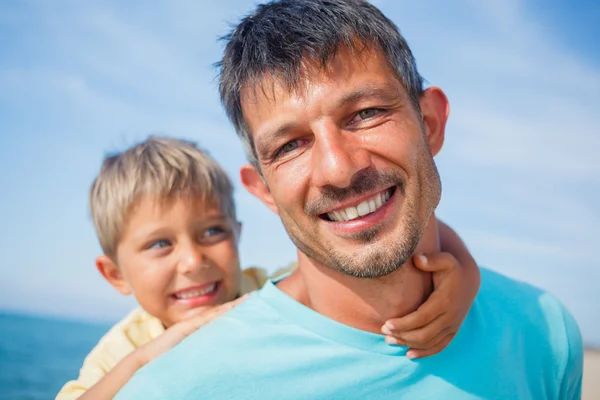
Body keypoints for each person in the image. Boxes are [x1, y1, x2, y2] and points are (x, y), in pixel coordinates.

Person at [114, 0, 583, 397]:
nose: (338, 169)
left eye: (366, 113)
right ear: (263, 190)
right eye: (289, 145)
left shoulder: (544, 334)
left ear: (431, 123)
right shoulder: (176, 386)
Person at [56, 136, 479, 400]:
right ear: (115, 274)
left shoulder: (267, 291)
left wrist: (467, 274)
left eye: (211, 232)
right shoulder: (125, 346)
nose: (193, 261)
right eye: (160, 244)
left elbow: (399, 226)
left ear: (237, 233)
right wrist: (146, 358)